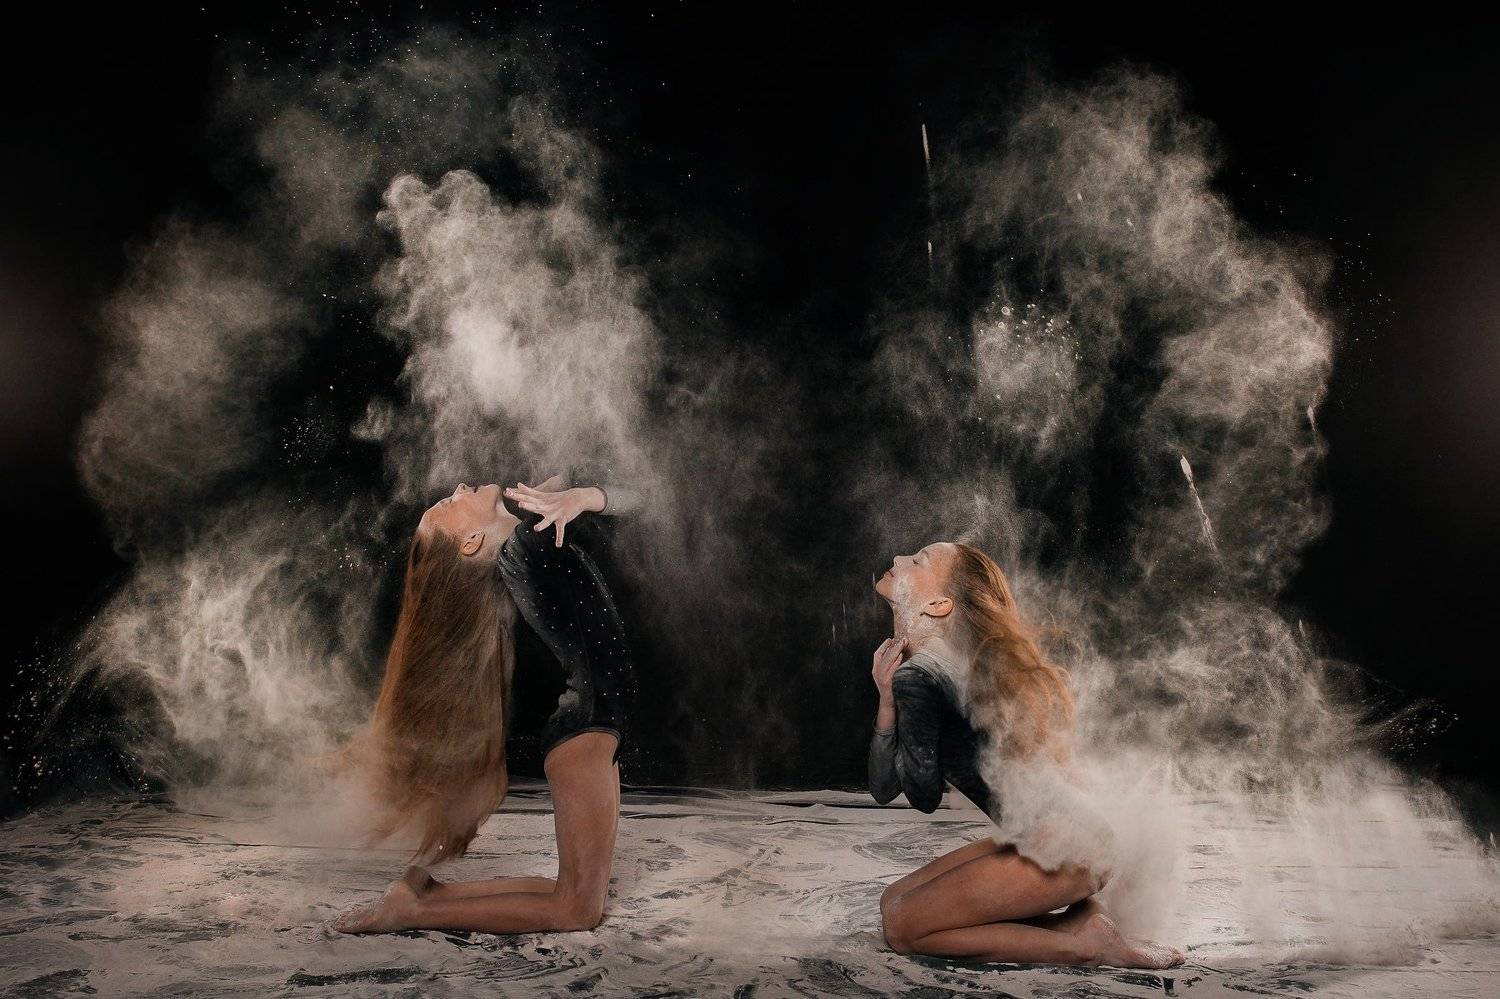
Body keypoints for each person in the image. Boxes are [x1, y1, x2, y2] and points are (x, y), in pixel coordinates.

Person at [330, 472, 641, 934]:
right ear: (471, 542)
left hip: (596, 726)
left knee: (575, 891)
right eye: (446, 505)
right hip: (587, 732)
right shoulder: (529, 546)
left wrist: (576, 492)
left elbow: (589, 477)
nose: (457, 489)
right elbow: (637, 493)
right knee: (577, 910)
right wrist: (584, 495)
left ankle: (426, 893)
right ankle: (411, 913)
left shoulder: (526, 541)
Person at [868, 541, 1184, 968]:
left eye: (917, 560)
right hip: (1064, 840)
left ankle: (1089, 947)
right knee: (893, 900)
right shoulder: (939, 665)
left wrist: (908, 704)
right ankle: (1081, 921)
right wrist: (887, 701)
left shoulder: (920, 676)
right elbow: (883, 789)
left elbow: (923, 797)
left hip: (1067, 851)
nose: (898, 560)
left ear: (938, 605)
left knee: (903, 928)